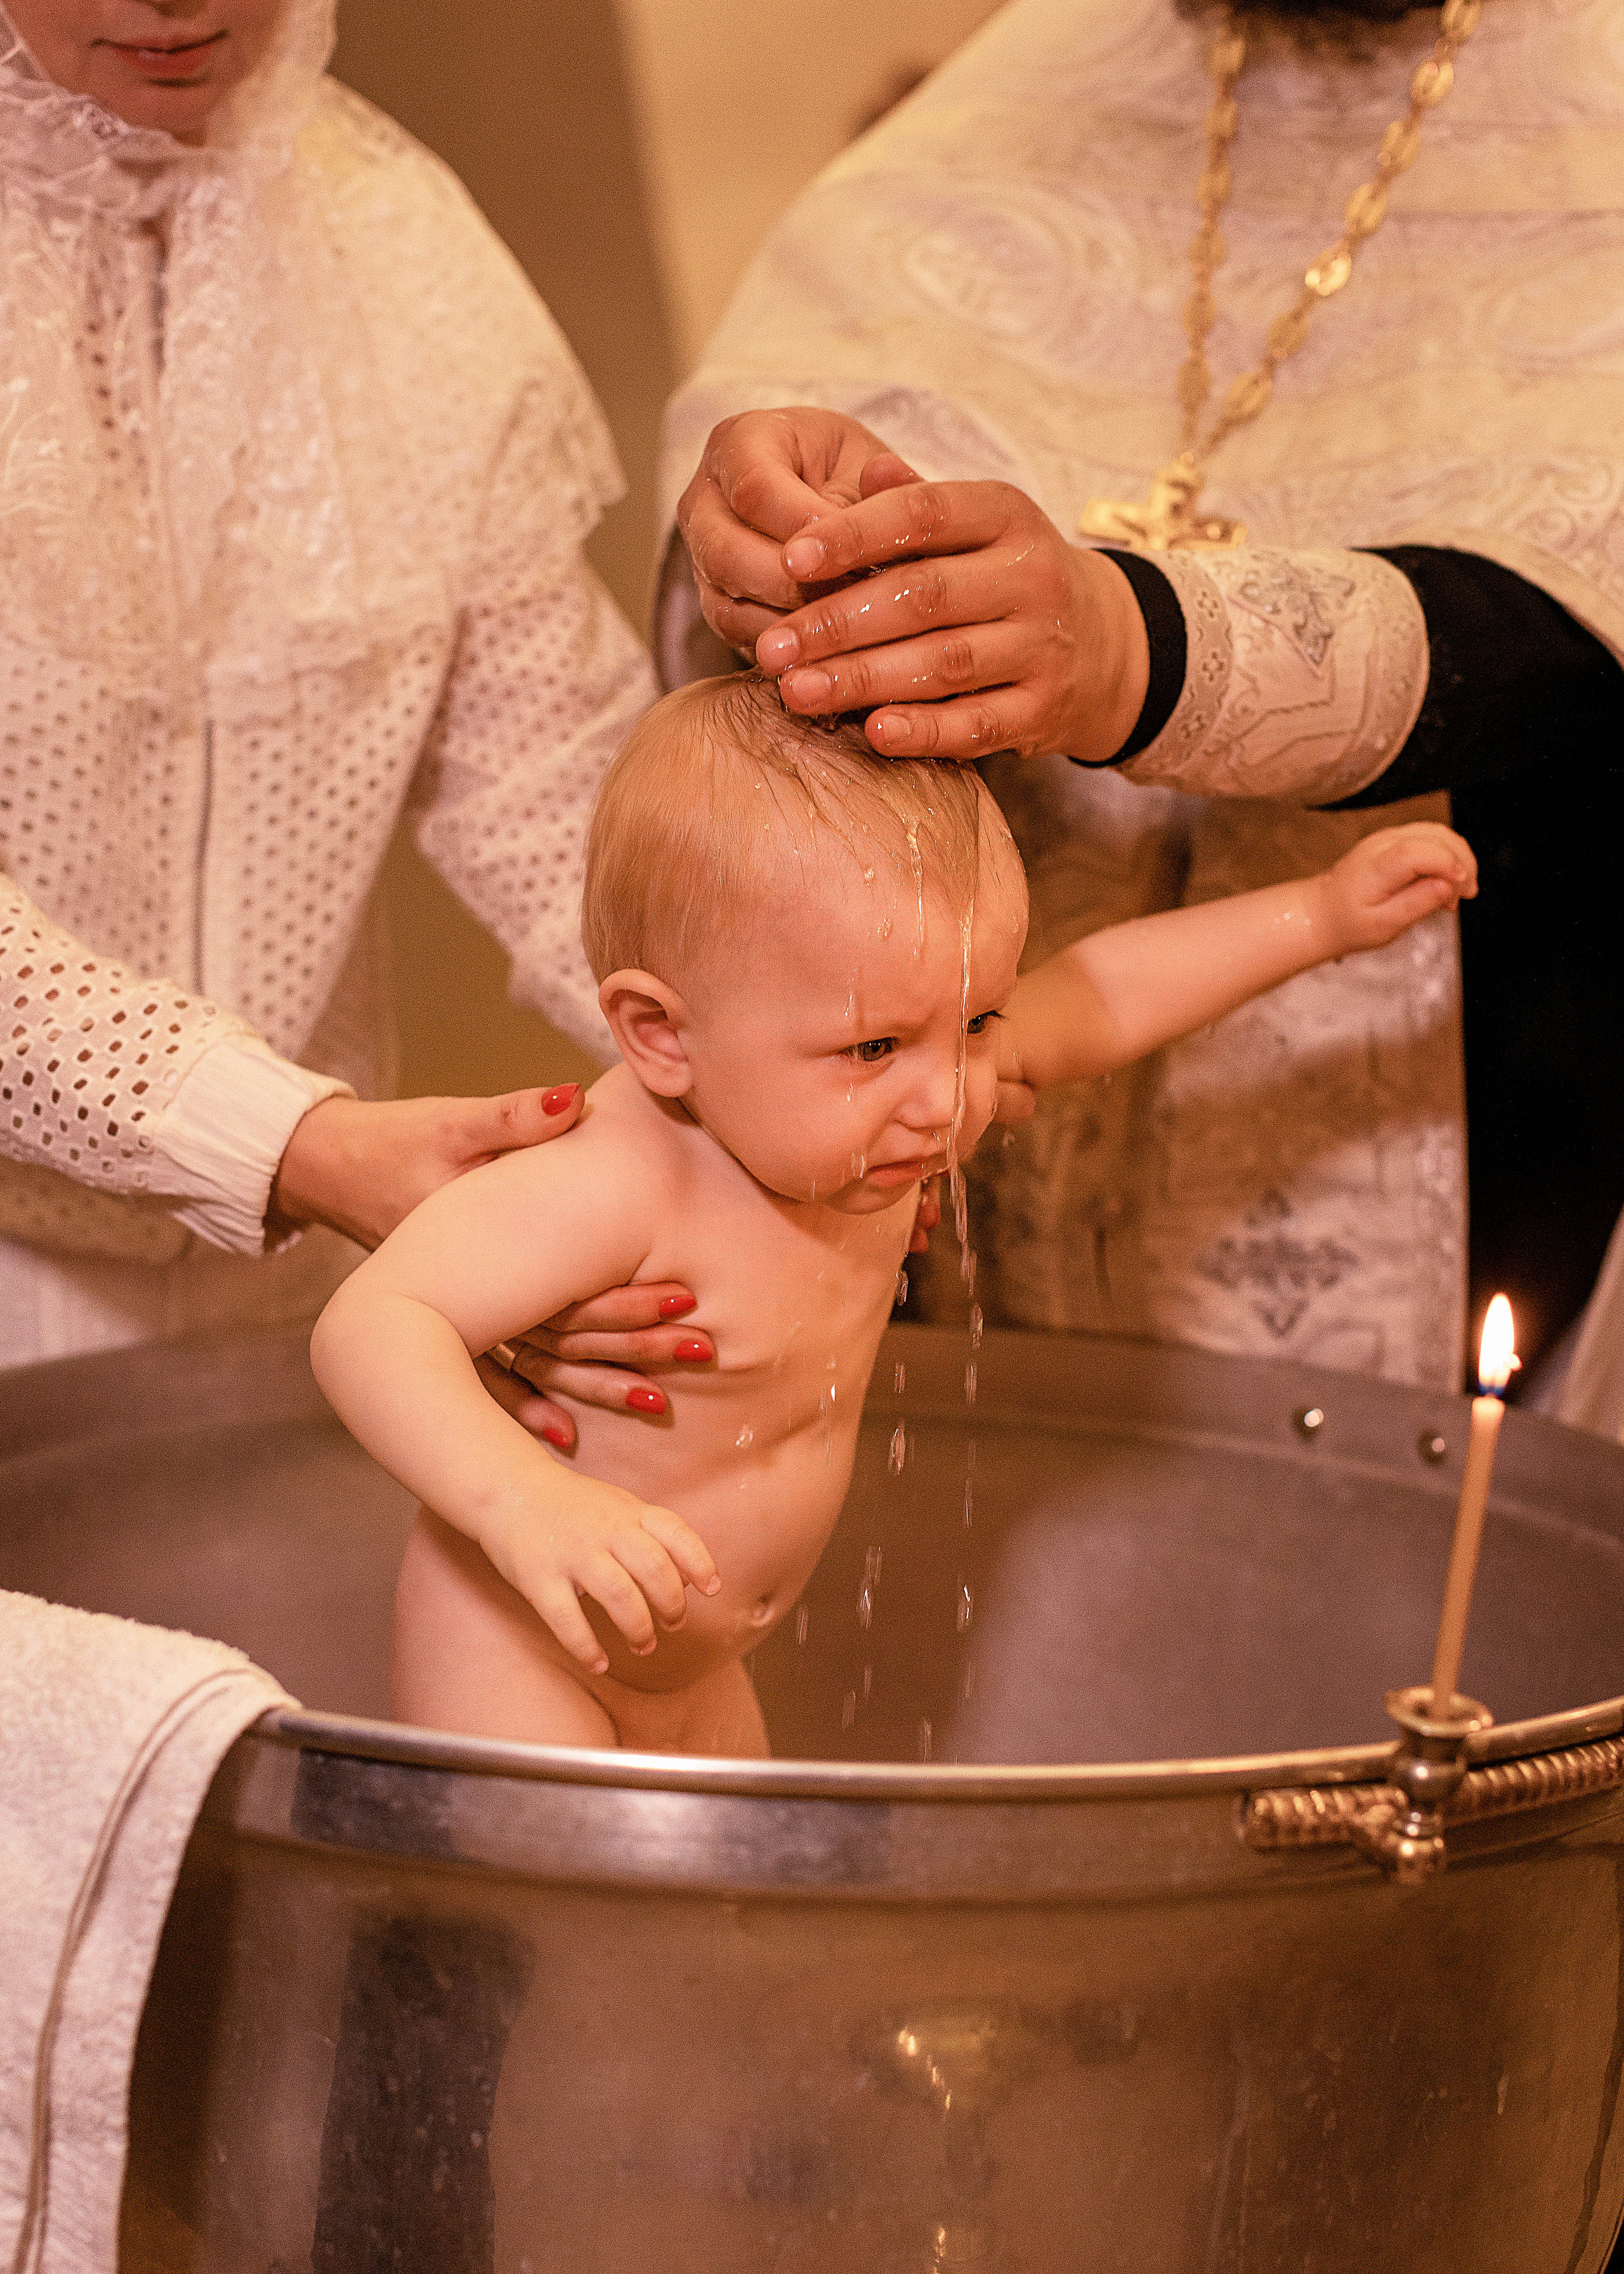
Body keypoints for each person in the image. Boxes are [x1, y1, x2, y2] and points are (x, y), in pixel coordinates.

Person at [660, 0, 1624, 1423]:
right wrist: (780, 549)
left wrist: (1135, 646)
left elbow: (1575, 594)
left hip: (1503, 1131)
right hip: (953, 1168)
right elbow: (770, 515)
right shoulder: (1042, 73)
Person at [309, 673, 1474, 1752]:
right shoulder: (623, 1179)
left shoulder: (889, 1105)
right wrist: (523, 1506)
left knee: (720, 1948)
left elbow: (1107, 995)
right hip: (521, 1640)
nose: (952, 1093)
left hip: (703, 1669)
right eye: (873, 1046)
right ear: (664, 1037)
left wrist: (1320, 918)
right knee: (542, 1941)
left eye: (975, 1023)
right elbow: (373, 1323)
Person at [0, 0, 704, 1435]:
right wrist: (290, 1140)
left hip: (307, 1286)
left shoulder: (393, 240)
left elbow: (548, 773)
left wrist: (754, 1054)